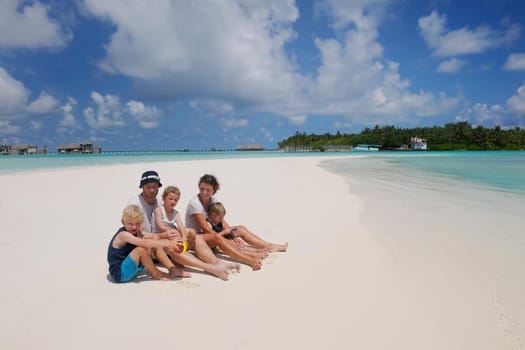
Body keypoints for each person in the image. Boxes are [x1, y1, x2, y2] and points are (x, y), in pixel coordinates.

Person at [129, 171, 239, 280]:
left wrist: (180, 235)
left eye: (155, 187)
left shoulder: (159, 199)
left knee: (193, 234)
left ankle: (217, 263)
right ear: (142, 186)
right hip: (151, 244)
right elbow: (133, 231)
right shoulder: (135, 204)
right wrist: (163, 234)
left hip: (165, 235)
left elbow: (175, 220)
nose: (152, 190)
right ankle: (209, 268)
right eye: (148, 187)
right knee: (173, 245)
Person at [185, 174, 284, 270]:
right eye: (202, 189)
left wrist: (231, 235)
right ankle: (249, 259)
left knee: (240, 229)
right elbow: (205, 228)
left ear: (213, 191)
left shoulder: (213, 200)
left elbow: (221, 220)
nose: (204, 192)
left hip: (212, 233)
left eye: (208, 190)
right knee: (217, 237)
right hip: (196, 240)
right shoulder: (195, 203)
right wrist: (229, 240)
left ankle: (269, 246)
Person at [107, 204, 183, 282]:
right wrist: (169, 243)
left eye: (137, 224)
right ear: (123, 222)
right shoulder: (123, 235)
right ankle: (155, 273)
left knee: (153, 244)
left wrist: (163, 237)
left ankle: (172, 268)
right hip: (120, 273)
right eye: (130, 224)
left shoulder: (138, 231)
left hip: (130, 267)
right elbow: (145, 243)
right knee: (141, 249)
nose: (134, 227)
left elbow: (154, 237)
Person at [207, 202, 288, 253]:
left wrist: (234, 237)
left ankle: (269, 245)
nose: (222, 219)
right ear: (213, 215)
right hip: (217, 243)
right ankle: (257, 251)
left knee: (241, 228)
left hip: (223, 236)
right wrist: (225, 234)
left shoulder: (219, 219)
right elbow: (214, 239)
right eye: (220, 217)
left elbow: (227, 229)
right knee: (233, 243)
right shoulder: (208, 224)